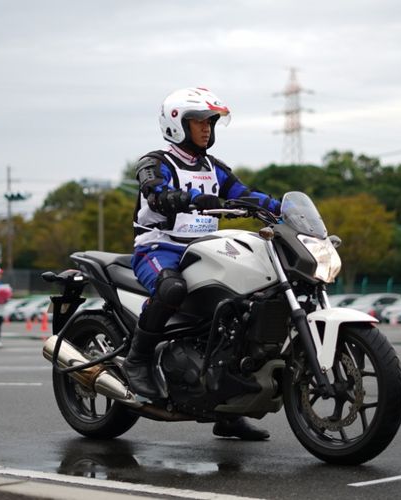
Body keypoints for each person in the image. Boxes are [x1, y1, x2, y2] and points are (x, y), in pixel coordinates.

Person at [124, 87, 280, 440]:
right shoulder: (156, 162)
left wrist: (280, 209)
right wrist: (189, 198)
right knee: (172, 287)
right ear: (178, 124)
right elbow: (156, 193)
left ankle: (227, 409)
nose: (207, 128)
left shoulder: (215, 168)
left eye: (211, 122)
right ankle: (138, 358)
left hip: (204, 249)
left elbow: (243, 194)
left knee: (241, 305)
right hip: (158, 248)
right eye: (200, 122)